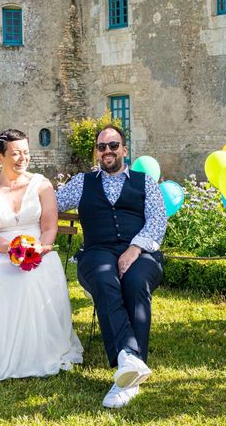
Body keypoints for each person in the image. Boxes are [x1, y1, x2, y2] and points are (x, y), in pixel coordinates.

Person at [0, 129, 83, 389]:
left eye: (26, 152)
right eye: (16, 153)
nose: (23, 158)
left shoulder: (42, 184)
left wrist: (42, 247)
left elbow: (49, 225)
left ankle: (40, 348)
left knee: (46, 267)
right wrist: (16, 250)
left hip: (37, 248)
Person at [57, 124, 166, 409]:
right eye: (102, 146)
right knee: (106, 280)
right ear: (97, 151)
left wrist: (134, 249)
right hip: (96, 252)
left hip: (140, 251)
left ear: (124, 150)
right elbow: (51, 204)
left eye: (113, 145)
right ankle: (130, 359)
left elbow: (157, 221)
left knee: (135, 280)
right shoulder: (83, 182)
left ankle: (128, 370)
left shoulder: (145, 182)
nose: (107, 151)